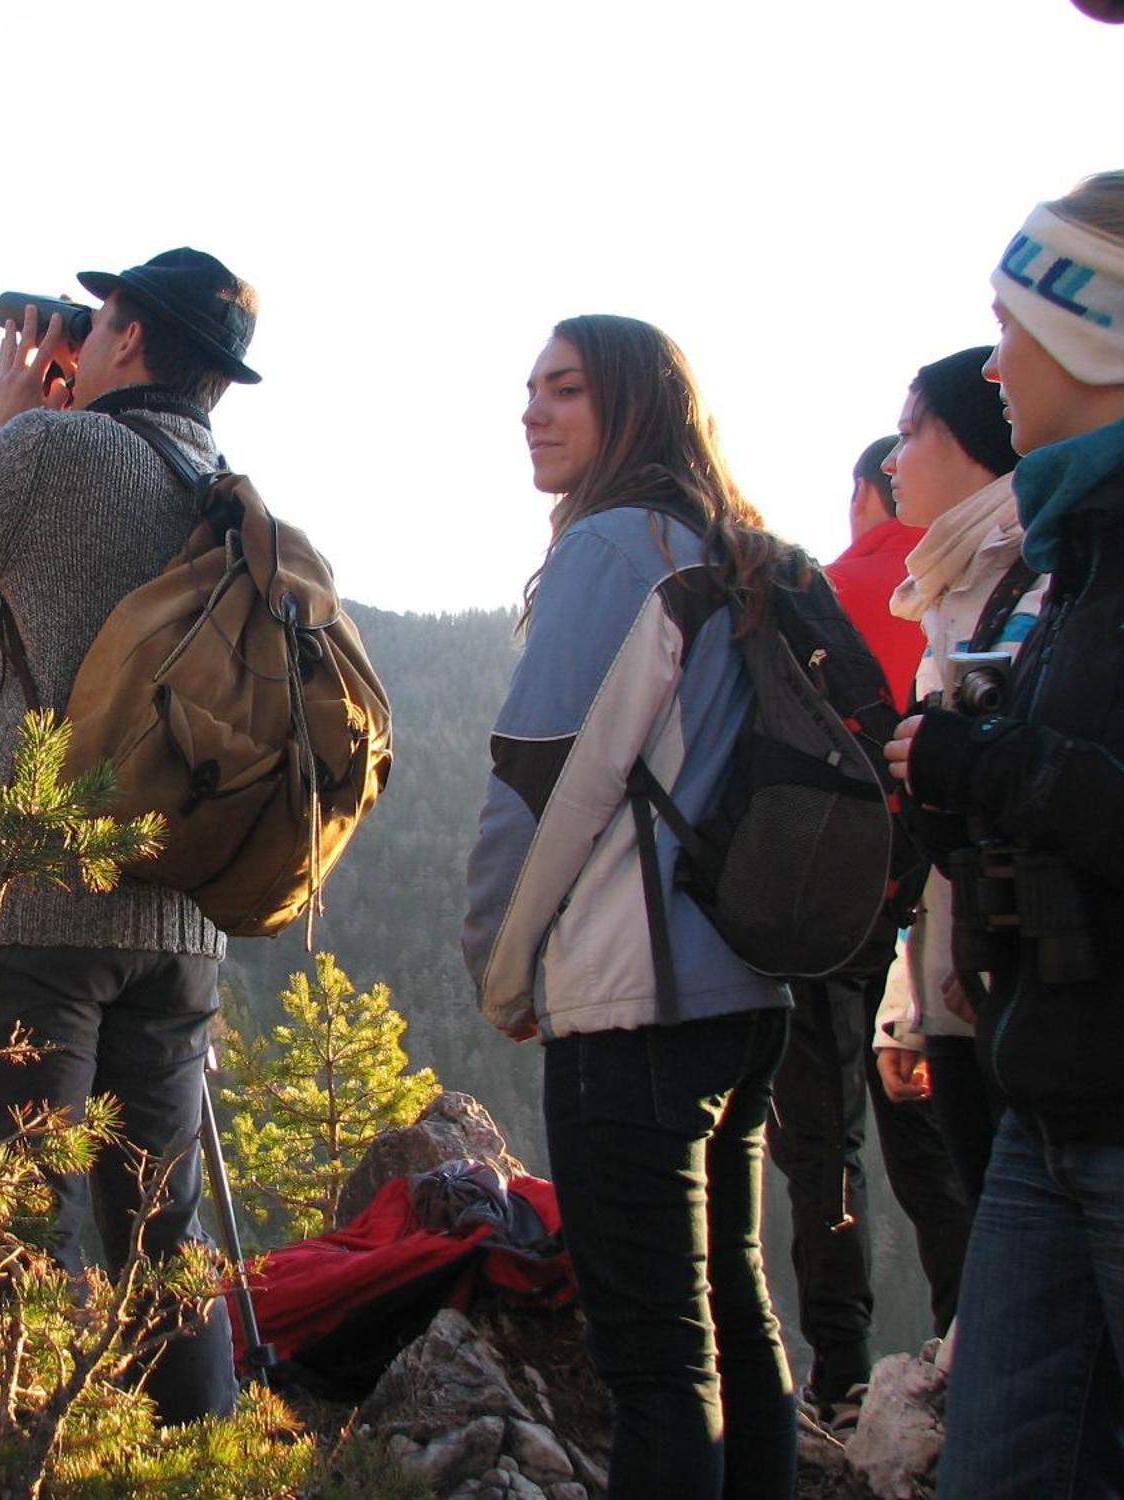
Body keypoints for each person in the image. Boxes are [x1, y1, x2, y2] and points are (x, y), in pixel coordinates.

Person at [0, 248, 261, 1425]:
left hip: (37, 918)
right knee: (159, 1248)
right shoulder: (223, 490)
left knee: (19, 1226)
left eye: (104, 313)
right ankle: (195, 1463)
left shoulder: (52, 452)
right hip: (178, 926)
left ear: (124, 340)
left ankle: (31, 1456)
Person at [463, 314, 797, 1498]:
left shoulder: (610, 547)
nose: (531, 411)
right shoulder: (725, 544)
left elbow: (538, 779)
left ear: (631, 408)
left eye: (564, 390)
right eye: (528, 388)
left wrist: (498, 963)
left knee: (653, 1358)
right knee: (730, 1316)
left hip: (632, 1000)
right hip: (746, 989)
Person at [884, 173, 1124, 1497]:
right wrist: (959, 783)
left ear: (1096, 328)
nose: (992, 361)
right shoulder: (1062, 553)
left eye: (1012, 322)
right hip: (1045, 1103)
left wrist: (1003, 763)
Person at [764, 426, 975, 1430]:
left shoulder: (829, 591)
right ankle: (969, 1340)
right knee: (940, 1139)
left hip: (828, 902)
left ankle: (839, 1373)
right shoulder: (986, 590)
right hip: (942, 904)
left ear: (863, 495)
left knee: (821, 1139)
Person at [868, 350, 1041, 1212]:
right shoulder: (950, 591)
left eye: (909, 433)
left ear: (973, 438)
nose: (893, 461)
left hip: (1036, 996)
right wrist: (907, 1010)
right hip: (960, 985)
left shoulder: (1039, 579)